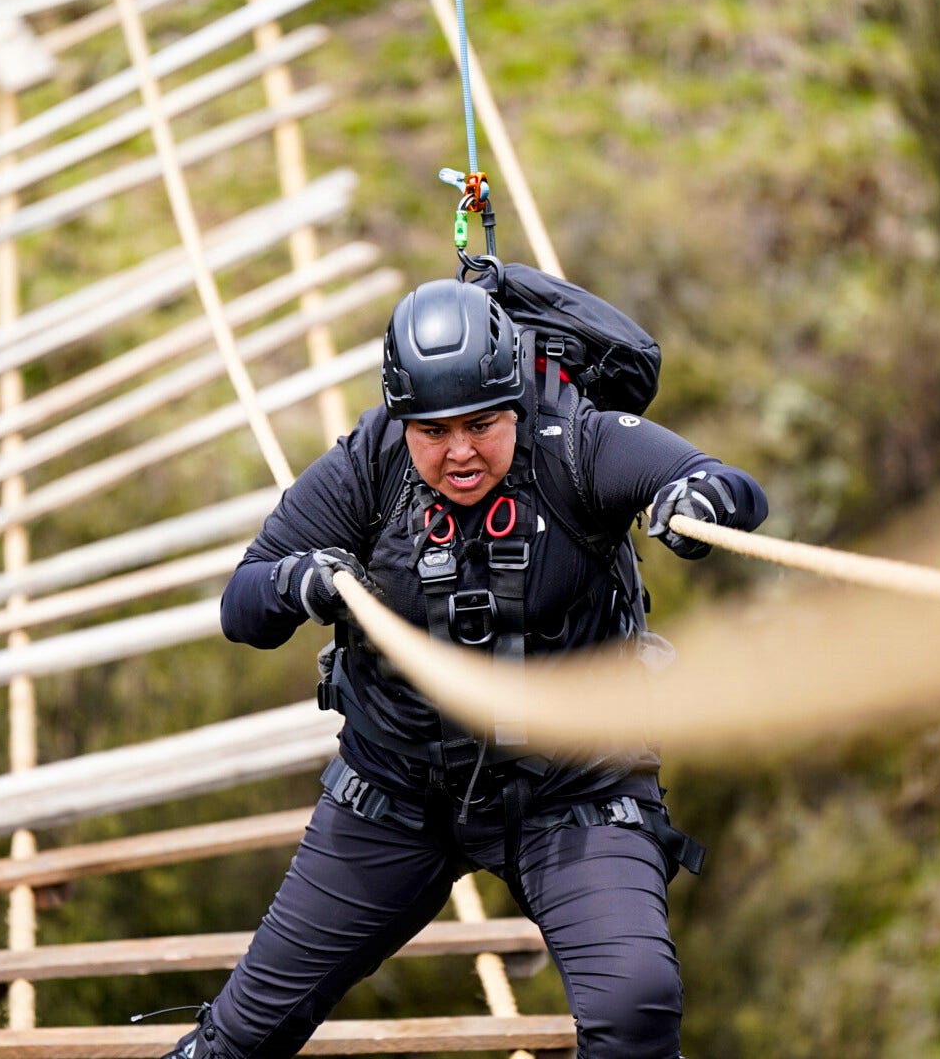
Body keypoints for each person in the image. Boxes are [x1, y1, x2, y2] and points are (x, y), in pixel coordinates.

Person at [162, 275, 767, 1059]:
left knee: (637, 1010)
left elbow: (727, 485)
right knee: (241, 1035)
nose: (459, 454)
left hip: (575, 788)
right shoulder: (369, 464)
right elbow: (241, 604)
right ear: (401, 419)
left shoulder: (576, 445)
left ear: (515, 400)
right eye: (432, 431)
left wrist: (699, 501)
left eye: (482, 425)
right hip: (395, 796)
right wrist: (298, 580)